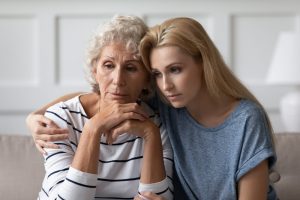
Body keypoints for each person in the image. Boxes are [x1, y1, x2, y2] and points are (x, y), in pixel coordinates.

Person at [27, 17, 277, 200]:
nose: (166, 84)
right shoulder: (169, 103)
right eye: (157, 73)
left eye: (175, 69)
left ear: (203, 63)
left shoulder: (244, 118)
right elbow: (104, 95)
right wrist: (35, 116)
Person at [29, 15, 173, 200]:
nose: (118, 80)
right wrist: (93, 128)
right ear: (94, 70)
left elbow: (158, 198)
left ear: (147, 79)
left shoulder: (156, 125)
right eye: (108, 65)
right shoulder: (62, 119)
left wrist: (150, 134)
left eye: (131, 68)